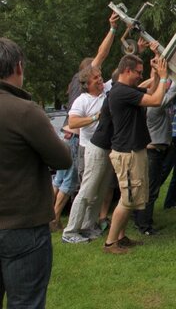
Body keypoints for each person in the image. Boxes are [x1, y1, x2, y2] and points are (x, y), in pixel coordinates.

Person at [0, 37, 72, 307]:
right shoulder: (25, 111)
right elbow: (63, 158)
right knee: (26, 303)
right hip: (23, 225)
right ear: (18, 68)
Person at [51, 12, 120, 231]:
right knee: (79, 185)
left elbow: (118, 73)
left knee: (77, 183)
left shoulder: (99, 88)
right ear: (87, 74)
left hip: (88, 142)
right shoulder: (81, 91)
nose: (100, 76)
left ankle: (86, 222)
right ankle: (70, 225)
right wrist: (112, 29)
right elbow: (103, 52)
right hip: (82, 143)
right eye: (96, 73)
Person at [103, 51, 169, 254]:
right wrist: (164, 76)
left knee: (130, 198)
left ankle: (121, 238)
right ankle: (110, 243)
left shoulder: (126, 90)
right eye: (138, 72)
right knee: (128, 199)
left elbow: (149, 89)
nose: (140, 76)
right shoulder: (122, 92)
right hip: (127, 154)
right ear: (127, 70)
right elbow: (156, 99)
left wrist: (155, 72)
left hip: (132, 151)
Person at [61, 65, 111, 244]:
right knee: (87, 190)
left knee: (99, 190)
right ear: (86, 84)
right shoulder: (82, 100)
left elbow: (122, 76)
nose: (100, 80)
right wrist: (96, 117)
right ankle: (70, 232)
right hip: (91, 149)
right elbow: (73, 122)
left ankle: (88, 227)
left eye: (100, 76)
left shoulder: (107, 91)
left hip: (106, 148)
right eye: (96, 78)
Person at [133, 76, 176, 235]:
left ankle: (140, 220)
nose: (164, 86)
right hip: (153, 152)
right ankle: (145, 226)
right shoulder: (155, 105)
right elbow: (173, 91)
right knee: (150, 190)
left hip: (155, 151)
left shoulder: (152, 104)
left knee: (147, 188)